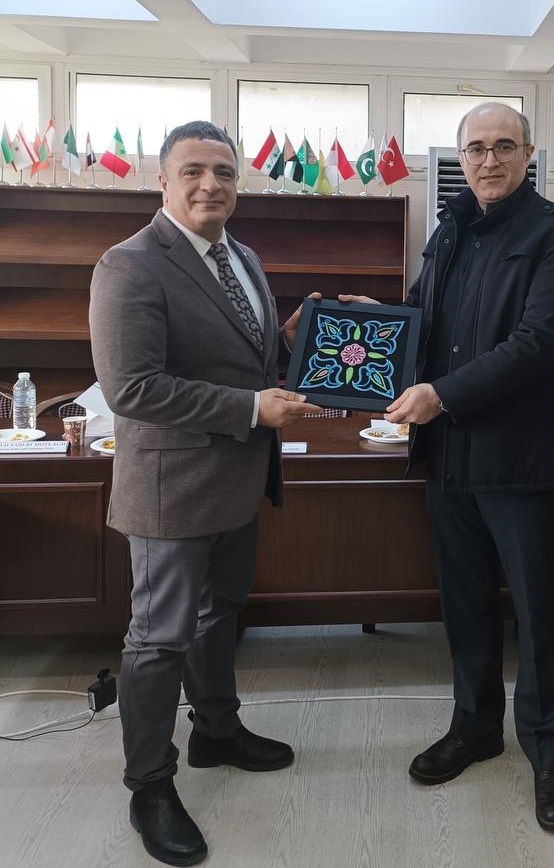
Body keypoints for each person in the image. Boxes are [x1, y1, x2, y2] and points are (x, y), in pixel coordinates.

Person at [345, 102, 554, 832]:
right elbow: (426, 321)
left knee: (540, 613)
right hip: (448, 458)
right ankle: (476, 727)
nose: (489, 160)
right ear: (462, 158)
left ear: (529, 154)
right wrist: (376, 319)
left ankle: (549, 751)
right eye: (477, 148)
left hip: (521, 461)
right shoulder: (448, 229)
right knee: (465, 605)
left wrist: (442, 395)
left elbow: (541, 342)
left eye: (504, 146)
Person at [89, 121, 318, 866]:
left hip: (238, 482)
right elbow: (132, 388)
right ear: (162, 181)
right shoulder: (129, 265)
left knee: (222, 614)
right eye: (192, 170)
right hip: (173, 489)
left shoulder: (241, 257)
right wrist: (252, 408)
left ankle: (216, 730)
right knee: (160, 639)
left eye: (223, 171)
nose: (209, 184)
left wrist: (293, 336)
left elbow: (246, 355)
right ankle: (149, 785)